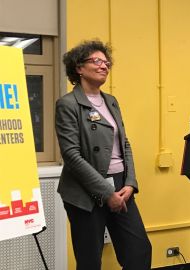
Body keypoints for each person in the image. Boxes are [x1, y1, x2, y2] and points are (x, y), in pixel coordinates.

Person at [55, 40, 151, 270]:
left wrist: (130, 183)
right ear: (79, 68)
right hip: (85, 191)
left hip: (120, 186)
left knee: (139, 252)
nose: (104, 66)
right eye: (96, 61)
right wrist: (107, 193)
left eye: (106, 62)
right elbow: (71, 155)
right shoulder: (68, 104)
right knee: (89, 261)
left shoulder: (111, 101)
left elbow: (124, 144)